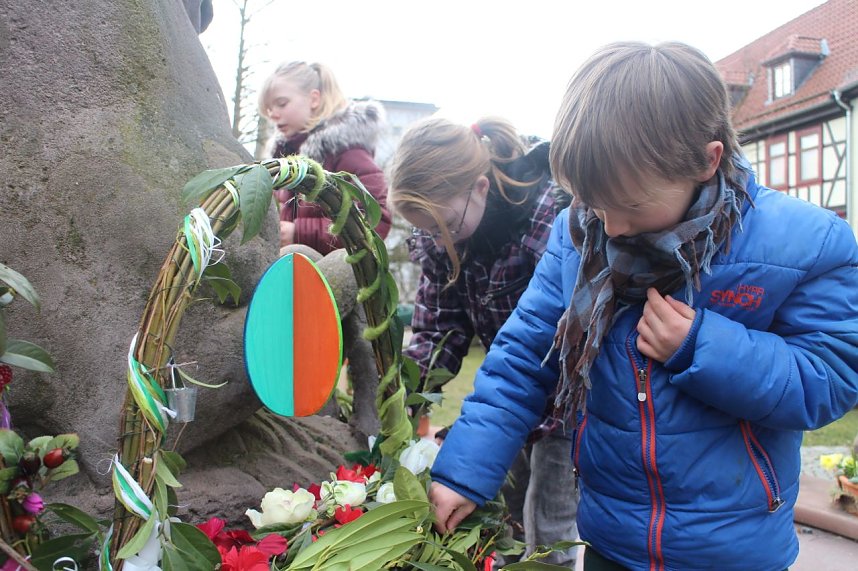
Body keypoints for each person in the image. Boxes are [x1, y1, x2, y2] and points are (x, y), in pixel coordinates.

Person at [428, 41, 858, 571]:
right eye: (594, 202)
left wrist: (702, 347)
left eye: (629, 205)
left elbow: (830, 379)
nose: (609, 228)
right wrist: (463, 472)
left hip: (733, 549)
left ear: (707, 160)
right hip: (611, 538)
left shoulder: (809, 243)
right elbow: (521, 359)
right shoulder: (576, 237)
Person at [389, 116, 578, 567]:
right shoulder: (445, 240)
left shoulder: (546, 220)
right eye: (427, 231)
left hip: (567, 402)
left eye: (443, 226)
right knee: (502, 514)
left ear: (479, 187)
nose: (437, 239)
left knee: (549, 522)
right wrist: (406, 395)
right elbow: (439, 330)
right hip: (507, 400)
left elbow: (566, 333)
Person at [259, 61, 391, 254]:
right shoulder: (285, 158)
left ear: (314, 99)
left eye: (281, 104)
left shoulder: (347, 153)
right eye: (269, 109)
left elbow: (375, 221)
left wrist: (300, 232)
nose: (274, 115)